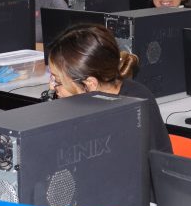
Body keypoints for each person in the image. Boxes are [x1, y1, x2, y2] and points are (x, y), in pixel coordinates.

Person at [46, 23, 172, 155]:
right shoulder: (79, 103)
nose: (51, 86)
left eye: (57, 81)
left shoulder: (133, 109)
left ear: (90, 84)